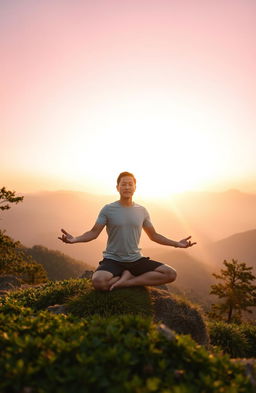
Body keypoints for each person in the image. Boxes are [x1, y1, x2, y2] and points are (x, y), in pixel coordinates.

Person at [58, 171, 196, 291]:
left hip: (136, 259)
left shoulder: (142, 211)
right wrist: (74, 239)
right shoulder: (108, 209)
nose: (127, 187)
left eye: (130, 184)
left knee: (171, 274)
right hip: (113, 259)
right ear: (117, 187)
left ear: (135, 188)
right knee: (98, 282)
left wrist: (177, 244)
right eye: (123, 184)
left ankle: (127, 281)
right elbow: (93, 232)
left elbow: (154, 235)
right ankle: (128, 278)